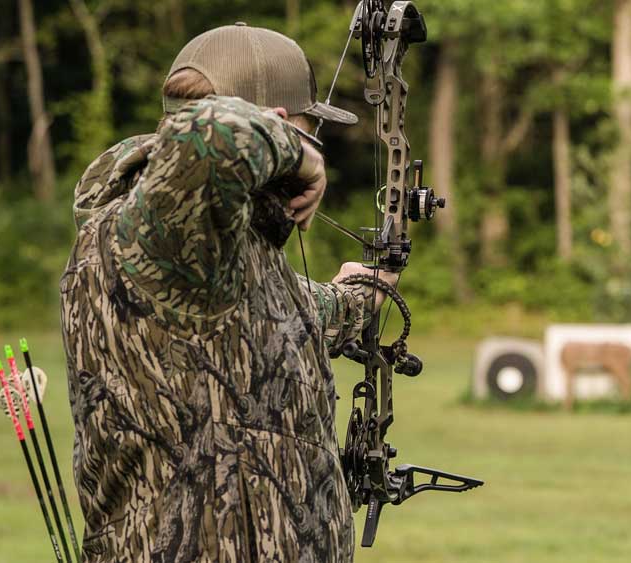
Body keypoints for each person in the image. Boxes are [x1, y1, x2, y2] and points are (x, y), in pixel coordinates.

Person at [61, 23, 393, 562]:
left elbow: (280, 320)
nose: (316, 150)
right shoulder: (159, 235)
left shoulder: (213, 255)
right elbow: (214, 135)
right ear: (277, 126)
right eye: (310, 133)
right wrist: (297, 154)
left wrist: (361, 295)